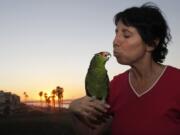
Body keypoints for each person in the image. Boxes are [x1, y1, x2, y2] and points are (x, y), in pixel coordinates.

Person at [69, 2, 180, 135]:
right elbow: (91, 132)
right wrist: (74, 110)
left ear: (151, 44)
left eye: (126, 35)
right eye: (116, 33)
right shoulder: (114, 85)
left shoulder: (176, 81)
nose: (115, 41)